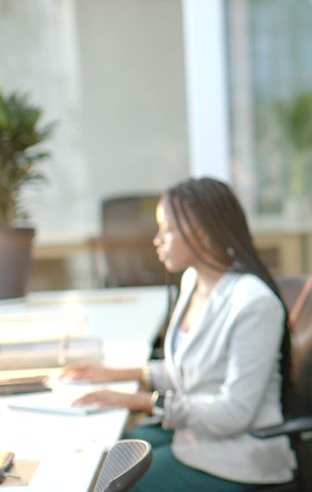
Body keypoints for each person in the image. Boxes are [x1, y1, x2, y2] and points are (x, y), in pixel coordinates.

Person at [62, 177, 293, 491]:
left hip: (236, 457)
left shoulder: (253, 303)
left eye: (167, 230)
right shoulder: (193, 282)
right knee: (110, 453)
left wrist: (141, 400)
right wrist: (116, 374)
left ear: (203, 234)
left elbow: (234, 412)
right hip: (198, 436)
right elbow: (188, 371)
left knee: (116, 484)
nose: (157, 240)